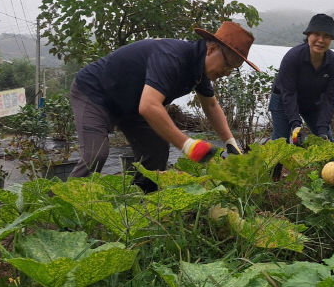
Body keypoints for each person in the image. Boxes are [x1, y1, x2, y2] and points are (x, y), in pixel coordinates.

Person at [68, 21, 260, 192]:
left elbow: (210, 105)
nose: (226, 73)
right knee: (96, 154)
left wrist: (230, 141)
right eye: (227, 65)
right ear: (211, 50)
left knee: (156, 151)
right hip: (97, 93)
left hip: (131, 106)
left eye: (233, 70)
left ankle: (142, 203)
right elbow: (149, 106)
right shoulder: (172, 57)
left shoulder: (199, 71)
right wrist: (187, 144)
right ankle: (64, 210)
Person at [269, 13, 334, 145]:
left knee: (327, 142)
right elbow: (289, 93)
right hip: (283, 99)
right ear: (308, 35)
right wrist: (295, 124)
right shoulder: (292, 58)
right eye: (316, 34)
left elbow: (330, 98)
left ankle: (331, 165)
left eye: (326, 36)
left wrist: (322, 129)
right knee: (279, 144)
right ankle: (273, 166)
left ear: (331, 39)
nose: (320, 40)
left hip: (312, 103)